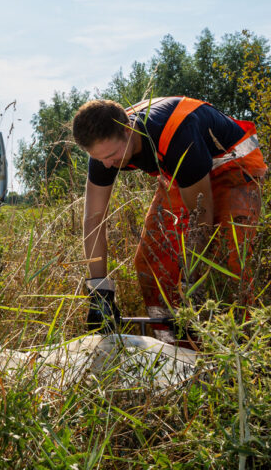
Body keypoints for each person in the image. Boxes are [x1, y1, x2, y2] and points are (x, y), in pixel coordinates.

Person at [72, 97, 266, 342]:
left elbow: (201, 216)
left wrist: (191, 280)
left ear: (128, 129)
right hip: (182, 174)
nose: (108, 164)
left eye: (112, 155)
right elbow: (94, 217)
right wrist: (99, 292)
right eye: (100, 159)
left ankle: (238, 347)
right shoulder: (104, 149)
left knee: (225, 262)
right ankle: (175, 346)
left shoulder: (177, 136)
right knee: (150, 262)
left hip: (232, 166)